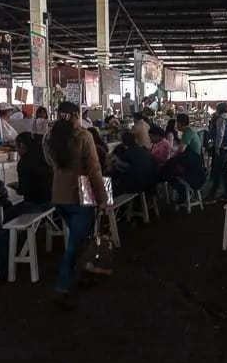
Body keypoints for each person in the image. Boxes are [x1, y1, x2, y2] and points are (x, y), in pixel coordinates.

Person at [44, 101, 107, 306]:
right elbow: (94, 170)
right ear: (74, 115)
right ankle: (62, 287)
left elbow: (50, 163)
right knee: (74, 245)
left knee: (78, 240)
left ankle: (82, 276)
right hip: (81, 196)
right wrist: (103, 199)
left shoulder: (49, 139)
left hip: (59, 196)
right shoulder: (83, 136)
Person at [9, 132, 52, 210]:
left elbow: (23, 190)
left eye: (16, 147)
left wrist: (16, 187)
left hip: (36, 203)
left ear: (21, 145)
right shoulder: (45, 156)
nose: (16, 150)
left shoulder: (24, 162)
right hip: (52, 201)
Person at [111, 131, 156, 195]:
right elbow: (133, 167)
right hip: (149, 183)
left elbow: (126, 168)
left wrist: (117, 163)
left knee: (113, 180)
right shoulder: (143, 150)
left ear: (123, 142)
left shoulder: (127, 154)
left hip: (136, 186)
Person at [207, 103, 227, 202]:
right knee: (224, 172)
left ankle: (212, 195)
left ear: (219, 110)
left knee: (217, 172)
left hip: (222, 149)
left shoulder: (220, 120)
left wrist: (217, 147)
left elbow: (220, 134)